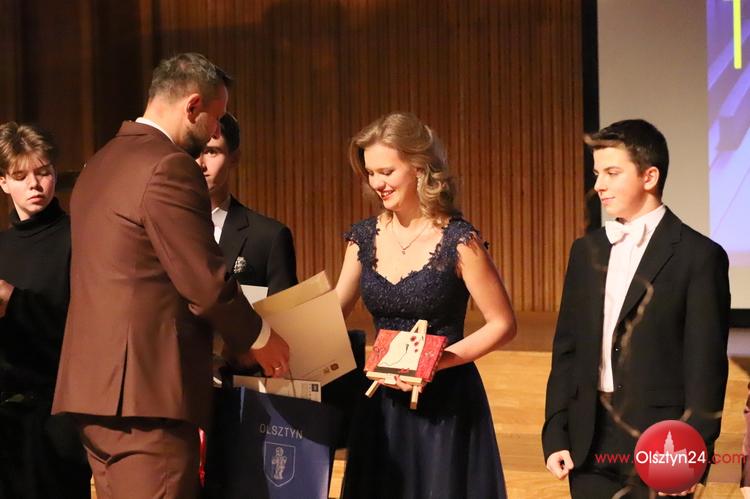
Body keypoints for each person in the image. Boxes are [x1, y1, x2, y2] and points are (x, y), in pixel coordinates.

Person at [51, 53, 289, 499]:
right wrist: (260, 337)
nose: (215, 131)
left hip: (96, 392)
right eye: (215, 118)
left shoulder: (100, 162)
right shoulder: (168, 165)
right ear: (192, 106)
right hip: (146, 397)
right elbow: (205, 284)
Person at [543, 119, 730, 498]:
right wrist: (556, 430)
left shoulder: (699, 256)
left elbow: (706, 367)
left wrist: (692, 453)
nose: (599, 185)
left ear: (649, 177)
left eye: (612, 173)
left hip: (662, 442)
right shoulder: (586, 251)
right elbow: (567, 350)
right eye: (597, 174)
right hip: (587, 439)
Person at [335, 112, 516, 498]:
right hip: (382, 405)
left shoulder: (459, 240)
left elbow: (502, 324)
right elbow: (333, 314)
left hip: (445, 403)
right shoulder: (362, 238)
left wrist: (436, 362)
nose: (377, 183)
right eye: (371, 173)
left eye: (387, 171)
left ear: (419, 168)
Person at [0, 122, 91, 498]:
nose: (35, 185)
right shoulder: (2, 246)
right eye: (21, 176)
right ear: (3, 182)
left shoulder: (78, 237)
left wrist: (14, 301)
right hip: (7, 423)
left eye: (43, 172)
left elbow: (85, 330)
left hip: (59, 417)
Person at [197, 112, 297, 295]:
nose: (199, 164)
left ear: (234, 158)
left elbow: (285, 312)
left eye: (211, 151)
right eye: (192, 152)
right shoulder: (158, 228)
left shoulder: (269, 237)